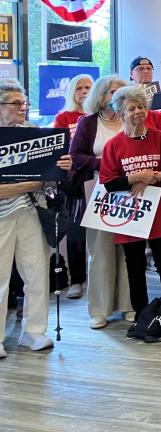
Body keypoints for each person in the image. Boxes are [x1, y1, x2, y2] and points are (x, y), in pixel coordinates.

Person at [98, 86, 161, 319]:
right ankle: (142, 315)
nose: (138, 112)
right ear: (120, 113)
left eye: (141, 107)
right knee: (135, 267)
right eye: (132, 108)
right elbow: (108, 182)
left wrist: (153, 176)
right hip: (130, 212)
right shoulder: (114, 145)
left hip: (160, 210)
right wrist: (135, 178)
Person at [0, 81, 72, 357]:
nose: (22, 108)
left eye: (24, 103)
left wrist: (61, 166)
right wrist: (30, 185)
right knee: (1, 277)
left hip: (31, 210)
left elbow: (50, 177)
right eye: (15, 103)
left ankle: (34, 331)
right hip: (3, 215)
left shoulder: (32, 133)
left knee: (36, 272)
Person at [70, 76, 137, 328]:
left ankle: (130, 304)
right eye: (114, 92)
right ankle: (99, 309)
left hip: (131, 191)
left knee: (129, 250)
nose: (119, 96)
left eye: (124, 92)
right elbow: (77, 157)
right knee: (100, 252)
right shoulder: (88, 123)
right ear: (101, 95)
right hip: (99, 192)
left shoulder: (132, 119)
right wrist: (108, 166)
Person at [51, 73, 94, 300]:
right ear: (72, 92)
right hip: (72, 181)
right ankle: (77, 280)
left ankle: (95, 277)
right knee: (76, 231)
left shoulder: (97, 116)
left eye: (88, 87)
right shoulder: (63, 117)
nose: (84, 91)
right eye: (80, 88)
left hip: (95, 176)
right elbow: (58, 150)